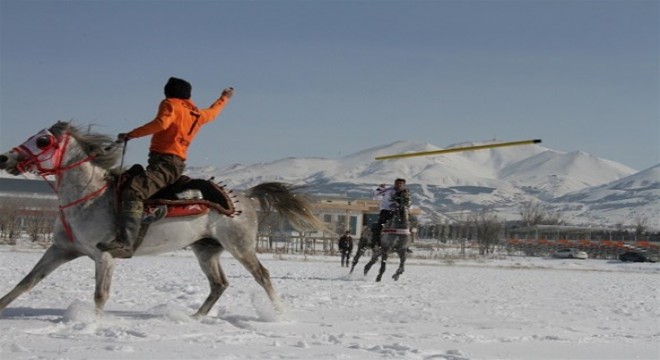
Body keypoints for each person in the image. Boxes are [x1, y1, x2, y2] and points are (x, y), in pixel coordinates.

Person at [97, 77, 234, 257]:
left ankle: (125, 243)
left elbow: (162, 123)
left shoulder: (170, 103)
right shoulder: (197, 114)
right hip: (175, 163)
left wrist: (131, 134)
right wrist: (224, 97)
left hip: (164, 162)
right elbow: (213, 112)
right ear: (188, 94)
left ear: (168, 92)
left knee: (133, 190)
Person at [371, 178, 411, 247]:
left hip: (400, 212)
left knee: (407, 225)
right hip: (387, 210)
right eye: (397, 183)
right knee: (380, 225)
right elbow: (376, 195)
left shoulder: (406, 192)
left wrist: (404, 207)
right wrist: (380, 188)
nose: (398, 185)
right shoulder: (389, 190)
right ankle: (376, 242)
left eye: (400, 183)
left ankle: (405, 245)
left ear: (404, 185)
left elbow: (409, 202)